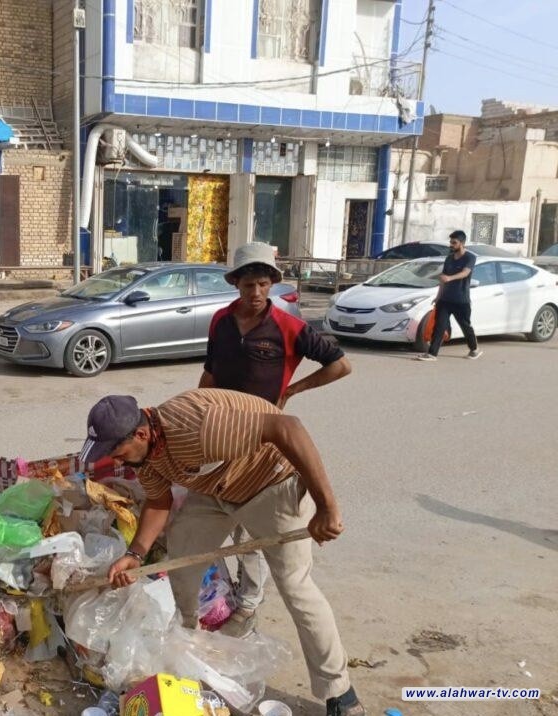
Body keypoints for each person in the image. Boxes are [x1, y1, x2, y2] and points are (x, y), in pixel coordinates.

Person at [84, 391, 365, 716]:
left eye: (115, 450)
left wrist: (327, 507)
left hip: (271, 483)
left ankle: (340, 693)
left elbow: (288, 427)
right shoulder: (145, 455)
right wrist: (135, 553)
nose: (114, 460)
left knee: (296, 587)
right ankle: (188, 648)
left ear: (142, 433)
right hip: (216, 490)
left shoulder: (195, 428)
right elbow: (158, 502)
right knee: (182, 561)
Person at [199, 242, 352, 637]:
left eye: (263, 284)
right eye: (248, 284)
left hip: (264, 444)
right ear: (235, 283)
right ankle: (227, 593)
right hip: (221, 436)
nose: (256, 293)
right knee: (221, 521)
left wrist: (294, 389)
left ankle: (248, 604)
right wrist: (198, 409)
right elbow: (211, 373)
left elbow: (341, 365)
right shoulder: (220, 321)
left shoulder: (290, 327)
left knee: (251, 528)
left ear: (272, 284)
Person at [416, 230, 482, 361]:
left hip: (461, 300)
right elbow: (442, 279)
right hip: (445, 299)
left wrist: (450, 278)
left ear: (462, 243)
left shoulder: (470, 257)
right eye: (450, 242)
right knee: (439, 326)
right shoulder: (449, 258)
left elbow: (465, 273)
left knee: (465, 326)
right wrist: (438, 296)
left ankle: (474, 349)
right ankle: (432, 354)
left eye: (454, 242)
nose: (451, 245)